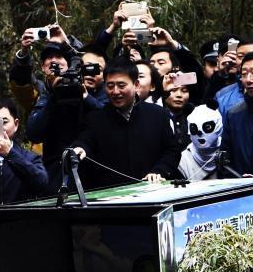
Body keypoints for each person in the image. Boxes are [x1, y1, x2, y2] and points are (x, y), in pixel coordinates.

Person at [71, 57, 182, 188]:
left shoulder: (158, 114)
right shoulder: (95, 119)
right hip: (111, 198)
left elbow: (172, 151)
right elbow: (85, 141)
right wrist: (79, 148)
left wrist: (159, 171)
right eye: (110, 86)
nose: (115, 91)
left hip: (152, 192)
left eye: (121, 85)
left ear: (136, 85)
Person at [25, 42, 104, 192]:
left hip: (92, 169)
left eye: (59, 56)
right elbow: (33, 133)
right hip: (56, 173)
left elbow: (109, 121)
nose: (54, 60)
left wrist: (86, 97)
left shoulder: (93, 90)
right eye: (49, 58)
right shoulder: (46, 94)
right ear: (43, 67)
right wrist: (55, 97)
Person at [178, 102, 223, 181]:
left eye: (207, 127)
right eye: (194, 128)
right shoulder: (182, 160)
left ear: (218, 126)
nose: (200, 133)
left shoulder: (230, 149)